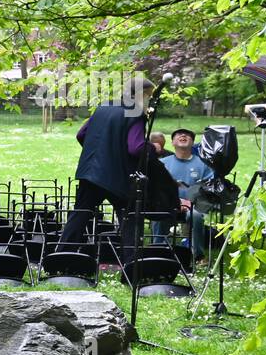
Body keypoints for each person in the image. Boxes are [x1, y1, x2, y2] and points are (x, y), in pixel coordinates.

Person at [56, 77, 154, 254]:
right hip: (117, 176)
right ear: (141, 95)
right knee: (129, 219)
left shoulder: (103, 107)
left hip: (90, 172)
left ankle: (60, 257)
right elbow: (135, 148)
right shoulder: (136, 113)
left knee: (79, 215)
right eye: (149, 96)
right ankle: (131, 265)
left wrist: (100, 152)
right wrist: (155, 148)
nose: (150, 100)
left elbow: (81, 134)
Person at [158, 127, 214, 262]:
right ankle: (159, 250)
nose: (183, 135)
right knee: (158, 212)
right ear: (172, 142)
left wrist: (191, 201)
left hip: (194, 205)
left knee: (195, 215)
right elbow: (157, 188)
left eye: (188, 135)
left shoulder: (203, 164)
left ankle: (197, 255)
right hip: (168, 203)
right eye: (178, 134)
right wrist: (176, 201)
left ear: (193, 142)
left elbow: (208, 187)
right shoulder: (162, 163)